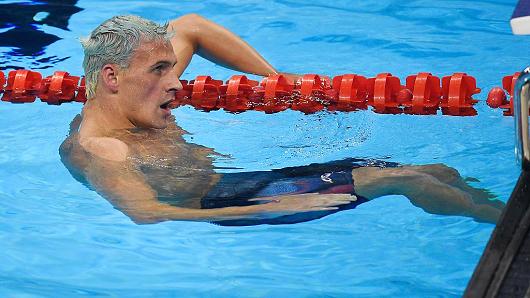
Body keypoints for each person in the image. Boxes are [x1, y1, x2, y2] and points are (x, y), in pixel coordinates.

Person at [60, 14, 504, 226]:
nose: (176, 83)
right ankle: (510, 239)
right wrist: (276, 206)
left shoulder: (137, 91)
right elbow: (147, 212)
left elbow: (192, 25)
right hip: (226, 203)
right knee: (411, 180)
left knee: (439, 171)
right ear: (112, 76)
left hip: (244, 181)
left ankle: (503, 219)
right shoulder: (103, 148)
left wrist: (275, 79)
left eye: (171, 67)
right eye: (160, 71)